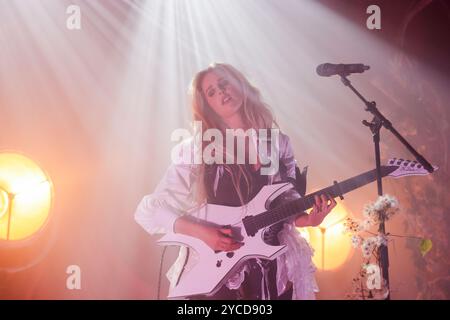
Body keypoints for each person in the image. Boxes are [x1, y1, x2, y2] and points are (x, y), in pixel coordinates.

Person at [134, 63, 336, 300]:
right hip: (218, 270)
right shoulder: (198, 149)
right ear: (207, 105)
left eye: (224, 83)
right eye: (211, 92)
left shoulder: (277, 143)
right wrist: (204, 233)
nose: (221, 92)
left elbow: (284, 202)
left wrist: (308, 219)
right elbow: (149, 211)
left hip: (272, 267)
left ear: (240, 84)